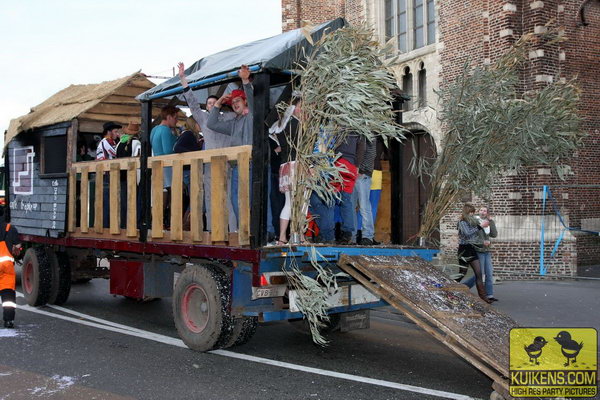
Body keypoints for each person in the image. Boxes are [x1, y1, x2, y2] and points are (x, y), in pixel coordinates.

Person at [178, 62, 237, 232]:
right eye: (209, 104)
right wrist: (183, 79)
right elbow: (192, 104)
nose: (211, 105)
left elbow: (242, 109)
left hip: (229, 163)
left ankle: (232, 232)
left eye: (214, 103)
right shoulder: (203, 119)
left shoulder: (228, 117)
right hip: (210, 165)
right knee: (211, 200)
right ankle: (212, 232)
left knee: (230, 200)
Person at [207, 65, 254, 228]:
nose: (234, 104)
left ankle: (262, 233)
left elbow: (253, 99)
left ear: (245, 101)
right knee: (236, 200)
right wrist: (219, 102)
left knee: (253, 200)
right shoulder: (233, 123)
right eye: (232, 102)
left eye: (238, 101)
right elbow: (211, 123)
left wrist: (245, 80)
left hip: (252, 165)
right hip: (236, 167)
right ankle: (244, 231)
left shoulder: (251, 116)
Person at [270, 98, 303, 245]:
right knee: (302, 203)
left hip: (286, 165)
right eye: (302, 107)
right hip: (297, 165)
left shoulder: (282, 126)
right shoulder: (296, 125)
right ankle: (299, 236)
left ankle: (283, 237)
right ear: (294, 108)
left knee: (289, 203)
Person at [457, 203, 493, 304]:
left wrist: (482, 242)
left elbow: (474, 237)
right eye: (471, 212)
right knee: (461, 274)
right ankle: (450, 287)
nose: (472, 214)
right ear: (467, 212)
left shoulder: (470, 221)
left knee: (479, 273)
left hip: (472, 249)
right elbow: (468, 234)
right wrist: (480, 226)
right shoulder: (462, 222)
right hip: (464, 250)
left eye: (473, 213)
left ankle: (483, 297)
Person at [151, 106, 179, 229]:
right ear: (169, 117)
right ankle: (170, 222)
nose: (176, 121)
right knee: (170, 194)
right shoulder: (166, 130)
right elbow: (168, 150)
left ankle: (157, 221)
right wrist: (176, 138)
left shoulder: (155, 129)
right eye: (175, 118)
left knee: (159, 193)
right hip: (167, 166)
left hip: (156, 165)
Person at [353, 137, 378, 245]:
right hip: (354, 173)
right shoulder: (360, 133)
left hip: (361, 174)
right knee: (352, 206)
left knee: (364, 206)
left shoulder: (368, 135)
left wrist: (360, 169)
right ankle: (352, 236)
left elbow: (371, 154)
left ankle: (367, 236)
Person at [116, 122, 142, 228]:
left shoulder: (119, 143)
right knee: (133, 202)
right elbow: (138, 161)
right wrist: (139, 179)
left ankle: (123, 225)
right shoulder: (136, 143)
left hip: (120, 177)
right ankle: (132, 225)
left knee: (123, 203)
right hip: (131, 177)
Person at [0, 218, 21, 329]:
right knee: (8, 294)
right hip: (6, 266)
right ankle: (9, 321)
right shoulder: (10, 228)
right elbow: (18, 247)